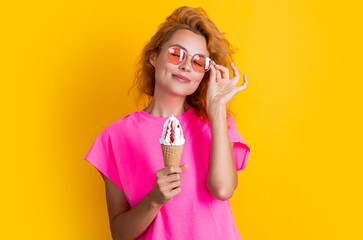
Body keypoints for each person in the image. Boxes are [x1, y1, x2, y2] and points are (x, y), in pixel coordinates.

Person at [85, 6, 250, 240]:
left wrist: (216, 109)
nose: (185, 66)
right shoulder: (116, 137)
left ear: (205, 73)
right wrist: (154, 199)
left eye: (198, 61)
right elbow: (120, 234)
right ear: (154, 57)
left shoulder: (217, 123)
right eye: (176, 54)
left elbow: (222, 190)